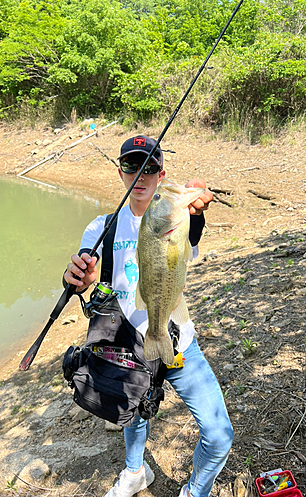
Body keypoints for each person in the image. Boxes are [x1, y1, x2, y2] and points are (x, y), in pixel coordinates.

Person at [64, 135, 234, 497]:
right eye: (131, 166)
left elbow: (190, 233)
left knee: (219, 435)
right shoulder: (101, 228)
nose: (140, 175)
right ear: (121, 171)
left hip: (177, 343)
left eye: (150, 167)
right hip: (127, 348)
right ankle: (135, 471)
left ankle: (194, 491)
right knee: (134, 414)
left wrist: (197, 209)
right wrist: (77, 277)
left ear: (161, 173)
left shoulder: (178, 221)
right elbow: (83, 274)